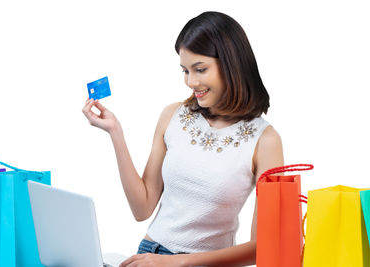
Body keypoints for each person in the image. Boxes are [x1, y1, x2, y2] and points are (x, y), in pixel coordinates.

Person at [82, 11, 283, 267]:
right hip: (148, 253)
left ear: (232, 65)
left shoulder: (265, 141)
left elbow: (262, 247)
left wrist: (178, 263)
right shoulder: (173, 115)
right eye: (185, 71)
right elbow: (142, 208)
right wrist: (115, 133)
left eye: (200, 69)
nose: (191, 81)